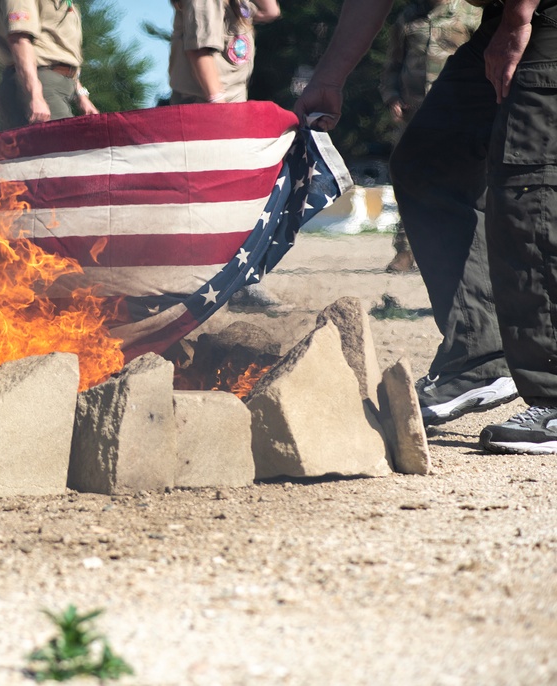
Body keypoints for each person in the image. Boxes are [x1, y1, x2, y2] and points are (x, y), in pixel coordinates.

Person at [294, 0, 557, 454]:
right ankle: (478, 358)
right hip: (506, 17)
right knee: (430, 163)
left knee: (526, 183)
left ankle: (553, 390)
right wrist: (328, 79)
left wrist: (517, 22)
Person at [167, 0, 282, 311]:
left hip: (227, 107)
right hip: (207, 108)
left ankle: (238, 282)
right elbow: (199, 49)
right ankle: (225, 285)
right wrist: (218, 106)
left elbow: (271, 11)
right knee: (214, 204)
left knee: (232, 202)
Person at [379, 0, 480, 273]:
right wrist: (392, 97)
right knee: (410, 182)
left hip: (459, 113)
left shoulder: (472, 13)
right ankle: (405, 251)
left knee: (462, 180)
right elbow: (392, 65)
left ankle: (462, 250)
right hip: (415, 116)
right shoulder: (408, 17)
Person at [0, 0, 98, 129]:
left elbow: (62, 50)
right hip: (39, 83)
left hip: (61, 84)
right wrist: (35, 95)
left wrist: (81, 94)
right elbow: (19, 40)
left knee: (71, 144)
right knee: (66, 144)